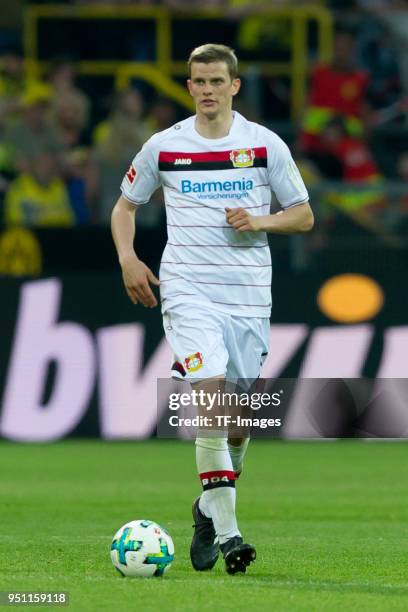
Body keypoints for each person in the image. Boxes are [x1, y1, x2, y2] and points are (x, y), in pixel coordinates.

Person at [111, 44, 314, 574]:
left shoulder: (264, 146)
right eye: (198, 81)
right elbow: (124, 207)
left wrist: (260, 220)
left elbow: (304, 215)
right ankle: (230, 536)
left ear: (234, 86)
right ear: (189, 86)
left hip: (248, 297)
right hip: (187, 290)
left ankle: (205, 509)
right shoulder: (165, 146)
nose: (206, 90)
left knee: (238, 425)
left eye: (216, 82)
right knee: (213, 404)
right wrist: (128, 258)